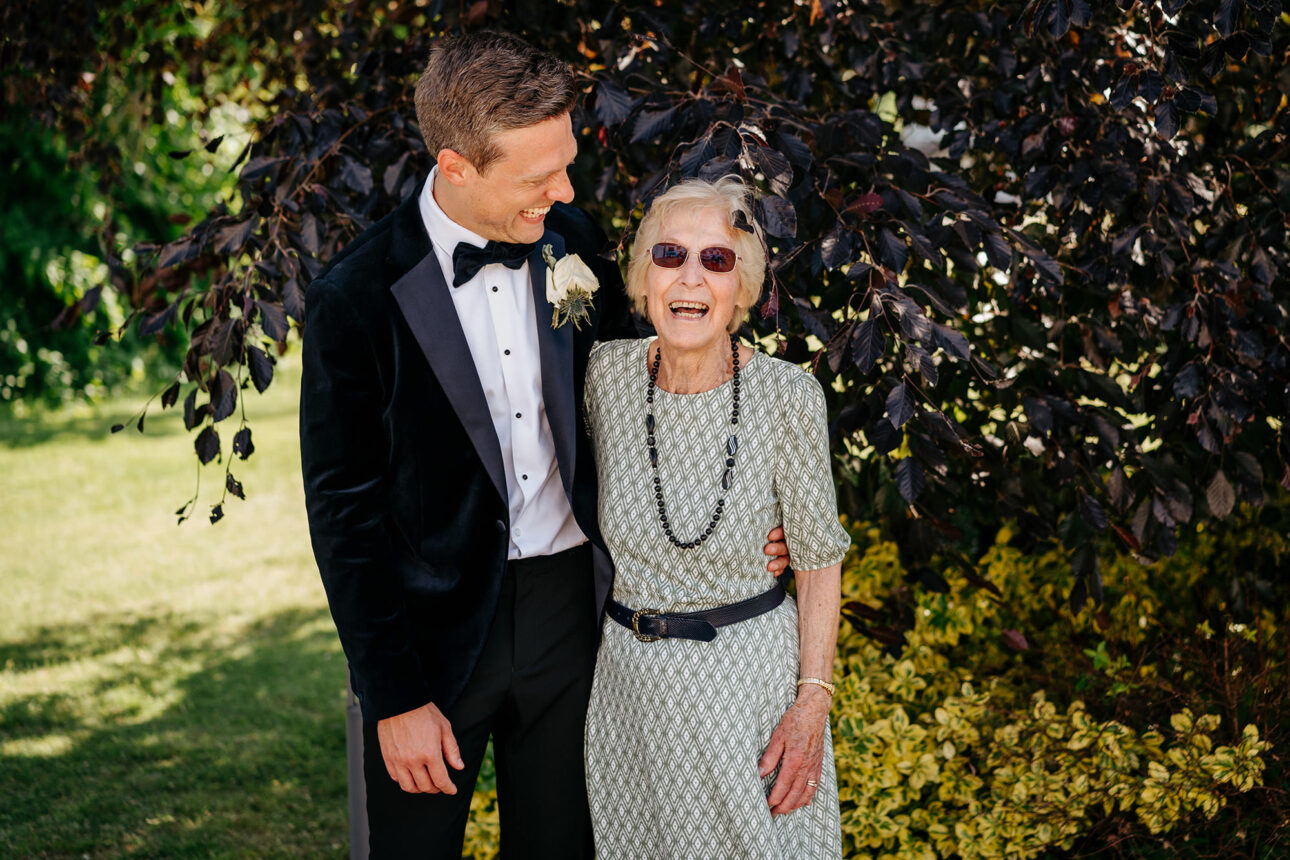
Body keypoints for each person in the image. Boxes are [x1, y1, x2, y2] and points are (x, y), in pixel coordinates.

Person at [299, 32, 789, 858]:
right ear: (456, 166)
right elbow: (343, 512)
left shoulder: (571, 240)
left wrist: (744, 521)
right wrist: (393, 695)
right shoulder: (354, 298)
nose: (562, 191)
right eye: (538, 177)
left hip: (575, 616)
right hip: (432, 642)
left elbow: (646, 398)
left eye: (566, 167)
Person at [582, 176, 850, 859]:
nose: (690, 277)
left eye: (716, 259)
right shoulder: (602, 378)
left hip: (746, 696)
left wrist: (812, 704)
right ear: (643, 279)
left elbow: (818, 560)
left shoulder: (788, 397)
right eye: (669, 254)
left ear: (742, 288)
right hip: (629, 700)